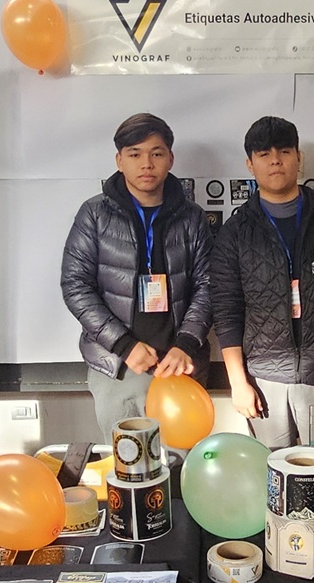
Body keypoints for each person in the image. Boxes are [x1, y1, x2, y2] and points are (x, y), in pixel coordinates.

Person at [212, 115, 314, 450]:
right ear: (250, 164)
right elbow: (226, 307)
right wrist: (238, 382)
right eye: (264, 154)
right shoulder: (236, 231)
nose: (275, 160)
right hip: (265, 379)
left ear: (298, 158)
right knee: (273, 469)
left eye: (285, 151)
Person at [60, 113, 212, 439]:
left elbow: (209, 285)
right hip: (119, 368)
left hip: (179, 366)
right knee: (128, 462)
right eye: (134, 154)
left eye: (156, 153)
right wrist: (124, 345)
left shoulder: (193, 217)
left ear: (170, 158)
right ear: (119, 160)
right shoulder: (94, 214)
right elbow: (75, 286)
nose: (146, 164)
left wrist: (186, 343)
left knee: (180, 461)